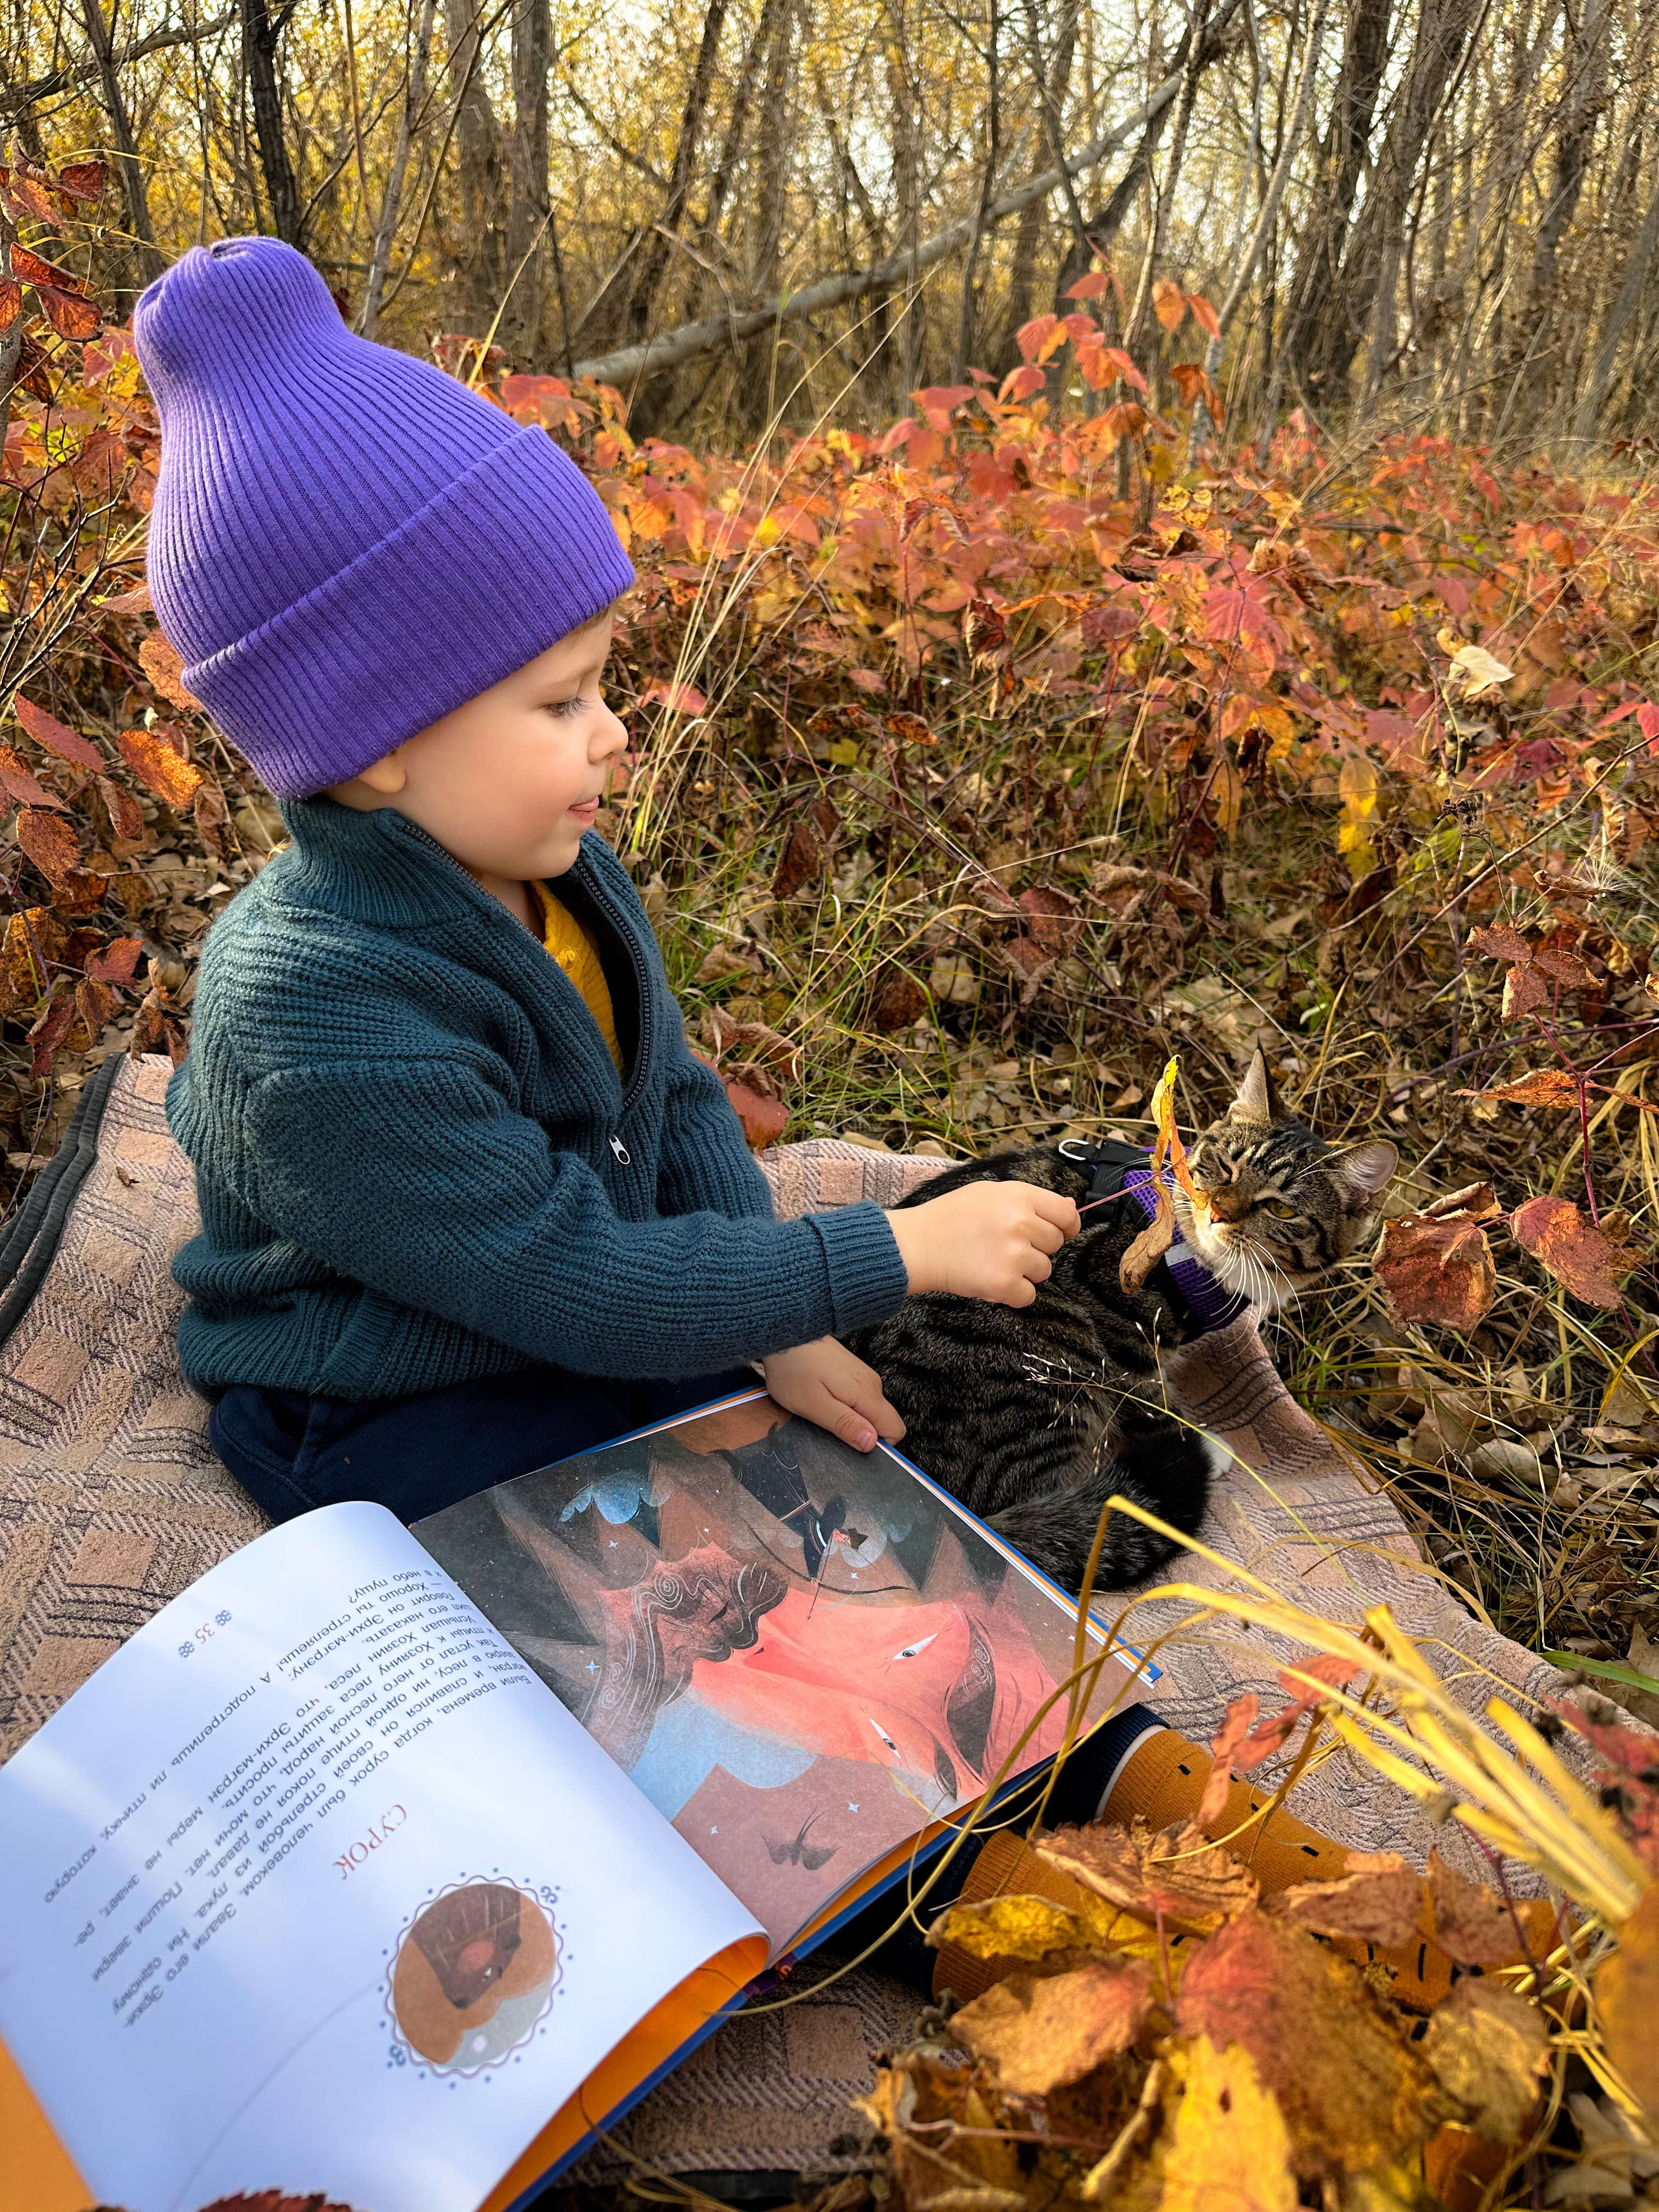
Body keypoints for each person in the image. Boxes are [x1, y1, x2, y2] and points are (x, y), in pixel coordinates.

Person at [131, 237, 1081, 1528]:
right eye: (561, 699)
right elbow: (563, 1277)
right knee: (645, 1583)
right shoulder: (312, 1011)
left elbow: (673, 1097)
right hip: (383, 1384)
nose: (616, 729)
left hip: (576, 1302)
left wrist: (782, 1316)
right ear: (379, 738)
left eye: (604, 682)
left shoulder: (564, 873)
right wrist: (881, 1258)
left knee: (809, 1481)